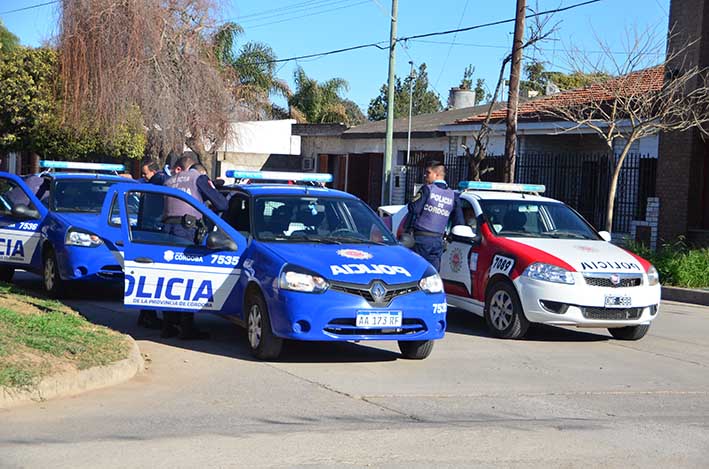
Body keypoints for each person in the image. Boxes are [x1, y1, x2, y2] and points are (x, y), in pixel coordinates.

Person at [161, 155, 228, 340]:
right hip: (187, 231)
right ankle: (186, 328)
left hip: (165, 233)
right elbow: (222, 204)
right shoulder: (196, 177)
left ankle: (168, 326)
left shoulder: (168, 181)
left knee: (169, 278)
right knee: (187, 279)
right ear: (193, 168)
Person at [406, 162, 464, 271]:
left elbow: (414, 209)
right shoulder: (453, 195)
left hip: (421, 239)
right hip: (438, 241)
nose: (425, 175)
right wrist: (449, 238)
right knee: (432, 274)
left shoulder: (427, 189)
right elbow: (459, 222)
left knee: (415, 271)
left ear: (437, 175)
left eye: (428, 173)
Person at [136, 159, 168, 330]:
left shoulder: (159, 180)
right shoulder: (158, 181)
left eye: (145, 174)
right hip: (151, 229)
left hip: (152, 229)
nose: (143, 177)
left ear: (154, 172)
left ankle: (146, 314)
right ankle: (147, 314)